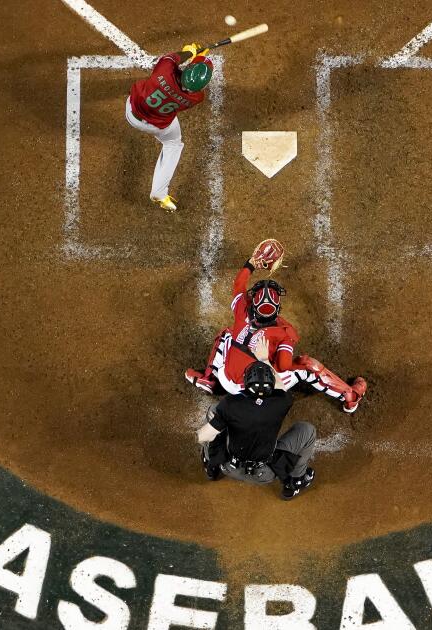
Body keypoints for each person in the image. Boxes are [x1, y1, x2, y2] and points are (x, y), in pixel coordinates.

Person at [184, 242, 368, 413]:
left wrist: (251, 263)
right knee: (307, 365)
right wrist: (268, 357)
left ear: (253, 304)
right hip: (256, 390)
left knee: (227, 334)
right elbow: (283, 365)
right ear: (277, 308)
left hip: (226, 379)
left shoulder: (242, 308)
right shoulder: (284, 332)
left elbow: (238, 283)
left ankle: (209, 378)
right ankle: (350, 397)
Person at [196, 361, 317, 500]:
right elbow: (280, 385)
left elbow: (205, 435)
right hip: (265, 475)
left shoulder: (230, 403)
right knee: (307, 430)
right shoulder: (282, 401)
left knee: (214, 412)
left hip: (229, 467)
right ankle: (295, 482)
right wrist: (265, 360)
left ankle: (211, 466)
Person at [126, 43, 214, 212]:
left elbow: (174, 58)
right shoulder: (196, 97)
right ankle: (159, 192)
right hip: (157, 126)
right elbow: (186, 85)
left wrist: (190, 53)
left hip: (132, 112)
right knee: (173, 144)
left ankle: (159, 192)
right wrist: (199, 59)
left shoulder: (164, 70)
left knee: (147, 86)